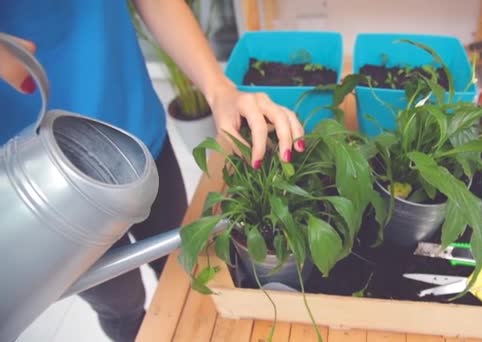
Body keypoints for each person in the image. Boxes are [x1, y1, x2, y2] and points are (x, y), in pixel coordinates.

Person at [0, 1, 305, 341]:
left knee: (184, 266)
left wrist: (220, 89)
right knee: (121, 303)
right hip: (45, 188)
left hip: (135, 131)